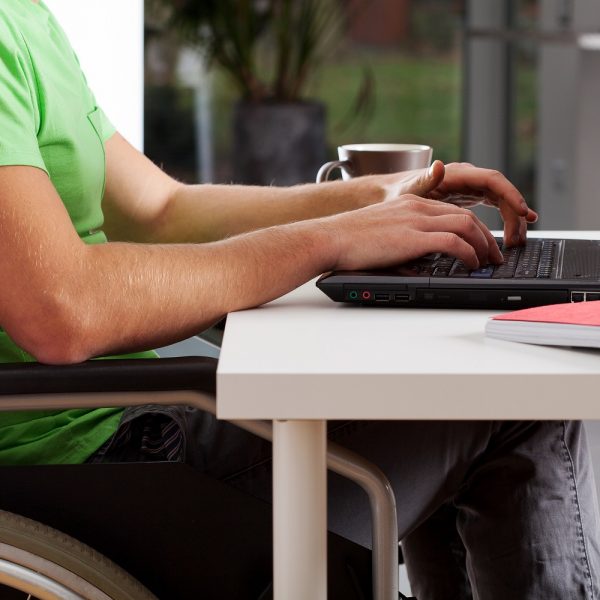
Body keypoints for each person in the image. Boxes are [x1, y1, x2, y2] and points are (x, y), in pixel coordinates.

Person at [0, 1, 598, 598]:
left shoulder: (27, 17)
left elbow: (160, 211)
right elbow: (59, 311)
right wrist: (328, 242)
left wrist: (380, 200)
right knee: (510, 398)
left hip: (133, 423)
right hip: (94, 465)